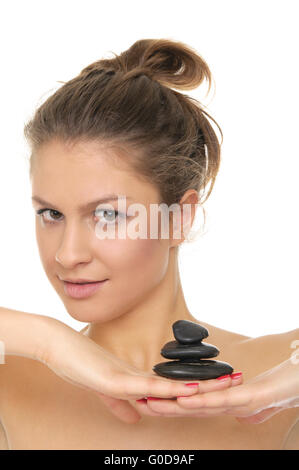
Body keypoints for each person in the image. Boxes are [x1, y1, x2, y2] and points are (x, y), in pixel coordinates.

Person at [0, 38, 298, 450]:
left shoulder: (281, 378)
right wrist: (45, 340)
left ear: (180, 217)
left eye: (107, 215)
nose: (67, 254)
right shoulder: (11, 382)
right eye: (51, 214)